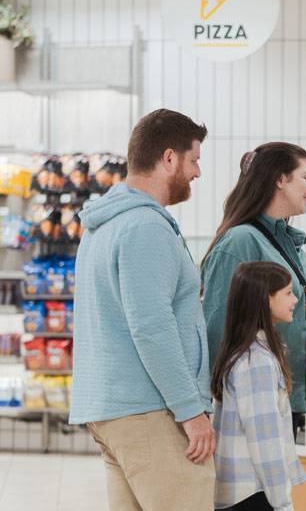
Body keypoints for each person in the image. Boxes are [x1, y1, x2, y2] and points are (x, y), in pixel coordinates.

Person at [70, 109, 215, 510]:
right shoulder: (144, 227)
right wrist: (191, 411)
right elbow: (151, 326)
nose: (198, 172)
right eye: (194, 160)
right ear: (169, 159)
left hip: (112, 409)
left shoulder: (104, 226)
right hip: (152, 410)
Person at [202, 143, 306, 437]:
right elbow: (217, 327)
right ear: (280, 179)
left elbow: (283, 314)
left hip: (281, 394)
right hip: (249, 403)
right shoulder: (241, 242)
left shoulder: (292, 243)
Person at [212, 261, 306, 511]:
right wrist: (283, 504)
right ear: (265, 299)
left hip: (244, 490)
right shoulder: (257, 362)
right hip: (253, 492)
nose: (295, 299)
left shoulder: (245, 352)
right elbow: (265, 442)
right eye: (288, 292)